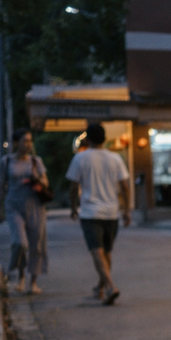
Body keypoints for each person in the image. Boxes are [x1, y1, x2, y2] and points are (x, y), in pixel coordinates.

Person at [66, 123, 130, 305]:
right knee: (107, 252)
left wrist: (73, 207)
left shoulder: (80, 158)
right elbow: (124, 186)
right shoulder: (115, 158)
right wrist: (127, 210)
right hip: (111, 212)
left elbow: (73, 186)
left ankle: (110, 286)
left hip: (90, 212)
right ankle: (101, 288)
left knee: (97, 251)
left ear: (88, 138)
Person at [0, 129, 49, 294]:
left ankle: (33, 282)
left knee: (36, 245)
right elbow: (0, 186)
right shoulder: (6, 161)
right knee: (20, 243)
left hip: (35, 206)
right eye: (25, 141)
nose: (28, 144)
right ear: (15, 143)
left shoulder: (36, 161)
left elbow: (46, 183)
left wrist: (36, 179)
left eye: (30, 141)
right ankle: (20, 277)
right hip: (13, 206)